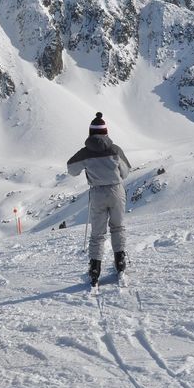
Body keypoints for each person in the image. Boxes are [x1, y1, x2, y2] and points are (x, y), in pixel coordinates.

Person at [67, 112, 132, 285]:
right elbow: (125, 172)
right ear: (106, 132)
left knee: (97, 233)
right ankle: (120, 261)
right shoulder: (115, 150)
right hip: (116, 190)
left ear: (90, 133)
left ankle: (95, 268)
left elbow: (71, 169)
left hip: (97, 193)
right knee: (117, 227)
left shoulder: (85, 153)